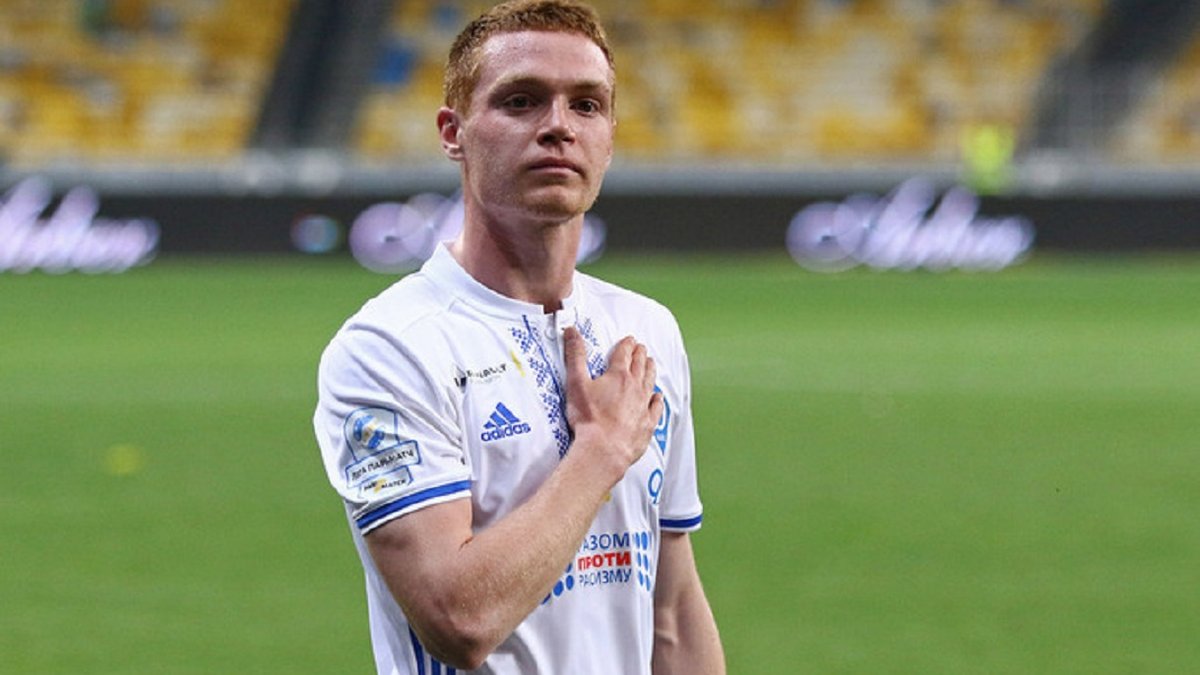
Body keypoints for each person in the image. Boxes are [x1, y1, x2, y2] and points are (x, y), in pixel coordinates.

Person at [313, 1, 725, 672]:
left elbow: (672, 605)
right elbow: (459, 620)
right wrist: (599, 451)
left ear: (610, 137)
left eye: (586, 105)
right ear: (453, 132)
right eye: (521, 101)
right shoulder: (390, 349)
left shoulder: (645, 330)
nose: (558, 126)